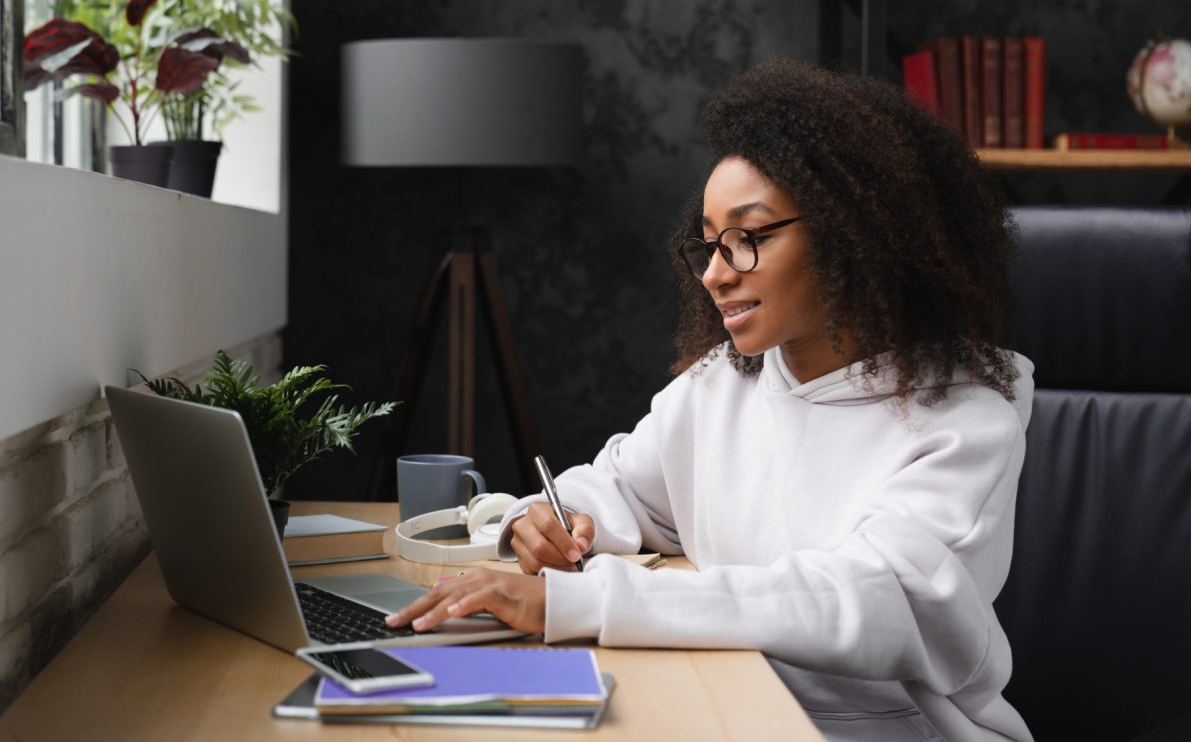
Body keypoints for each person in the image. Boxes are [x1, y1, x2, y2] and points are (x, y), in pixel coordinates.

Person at [387, 60, 1034, 742]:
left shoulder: (964, 424)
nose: (716, 275)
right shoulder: (724, 382)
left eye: (749, 239)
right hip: (731, 712)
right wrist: (552, 517)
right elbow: (622, 488)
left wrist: (581, 600)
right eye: (710, 245)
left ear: (854, 233)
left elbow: (865, 597)